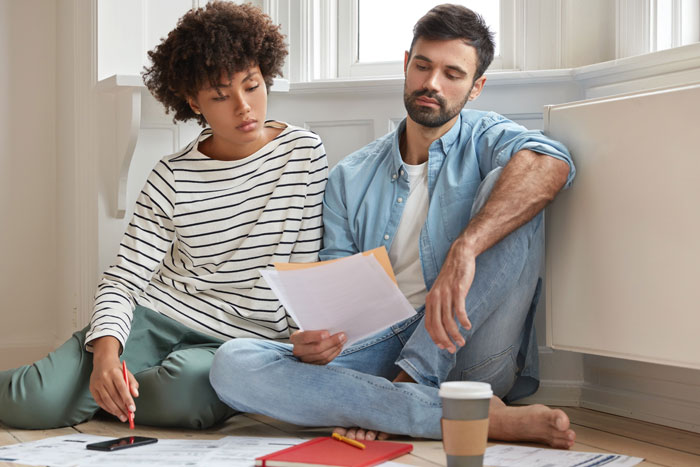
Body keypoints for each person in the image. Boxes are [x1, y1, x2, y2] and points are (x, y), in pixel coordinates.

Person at [209, 4, 577, 448]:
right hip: (380, 352)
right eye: (422, 66)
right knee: (232, 363)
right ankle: (457, 415)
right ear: (406, 65)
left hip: (471, 349)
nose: (431, 84)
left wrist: (465, 249)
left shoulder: (487, 139)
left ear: (476, 87)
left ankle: (407, 387)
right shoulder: (350, 175)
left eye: (452, 74)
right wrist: (318, 341)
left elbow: (550, 163)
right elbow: (339, 305)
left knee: (512, 188)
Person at [0, 2, 327, 430]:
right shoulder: (171, 175)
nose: (244, 107)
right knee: (34, 403)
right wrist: (106, 355)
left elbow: (303, 269)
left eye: (252, 85)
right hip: (154, 317)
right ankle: (91, 388)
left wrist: (305, 338)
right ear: (193, 101)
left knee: (186, 398)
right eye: (220, 96)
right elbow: (124, 278)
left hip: (237, 341)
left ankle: (99, 399)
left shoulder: (304, 153)